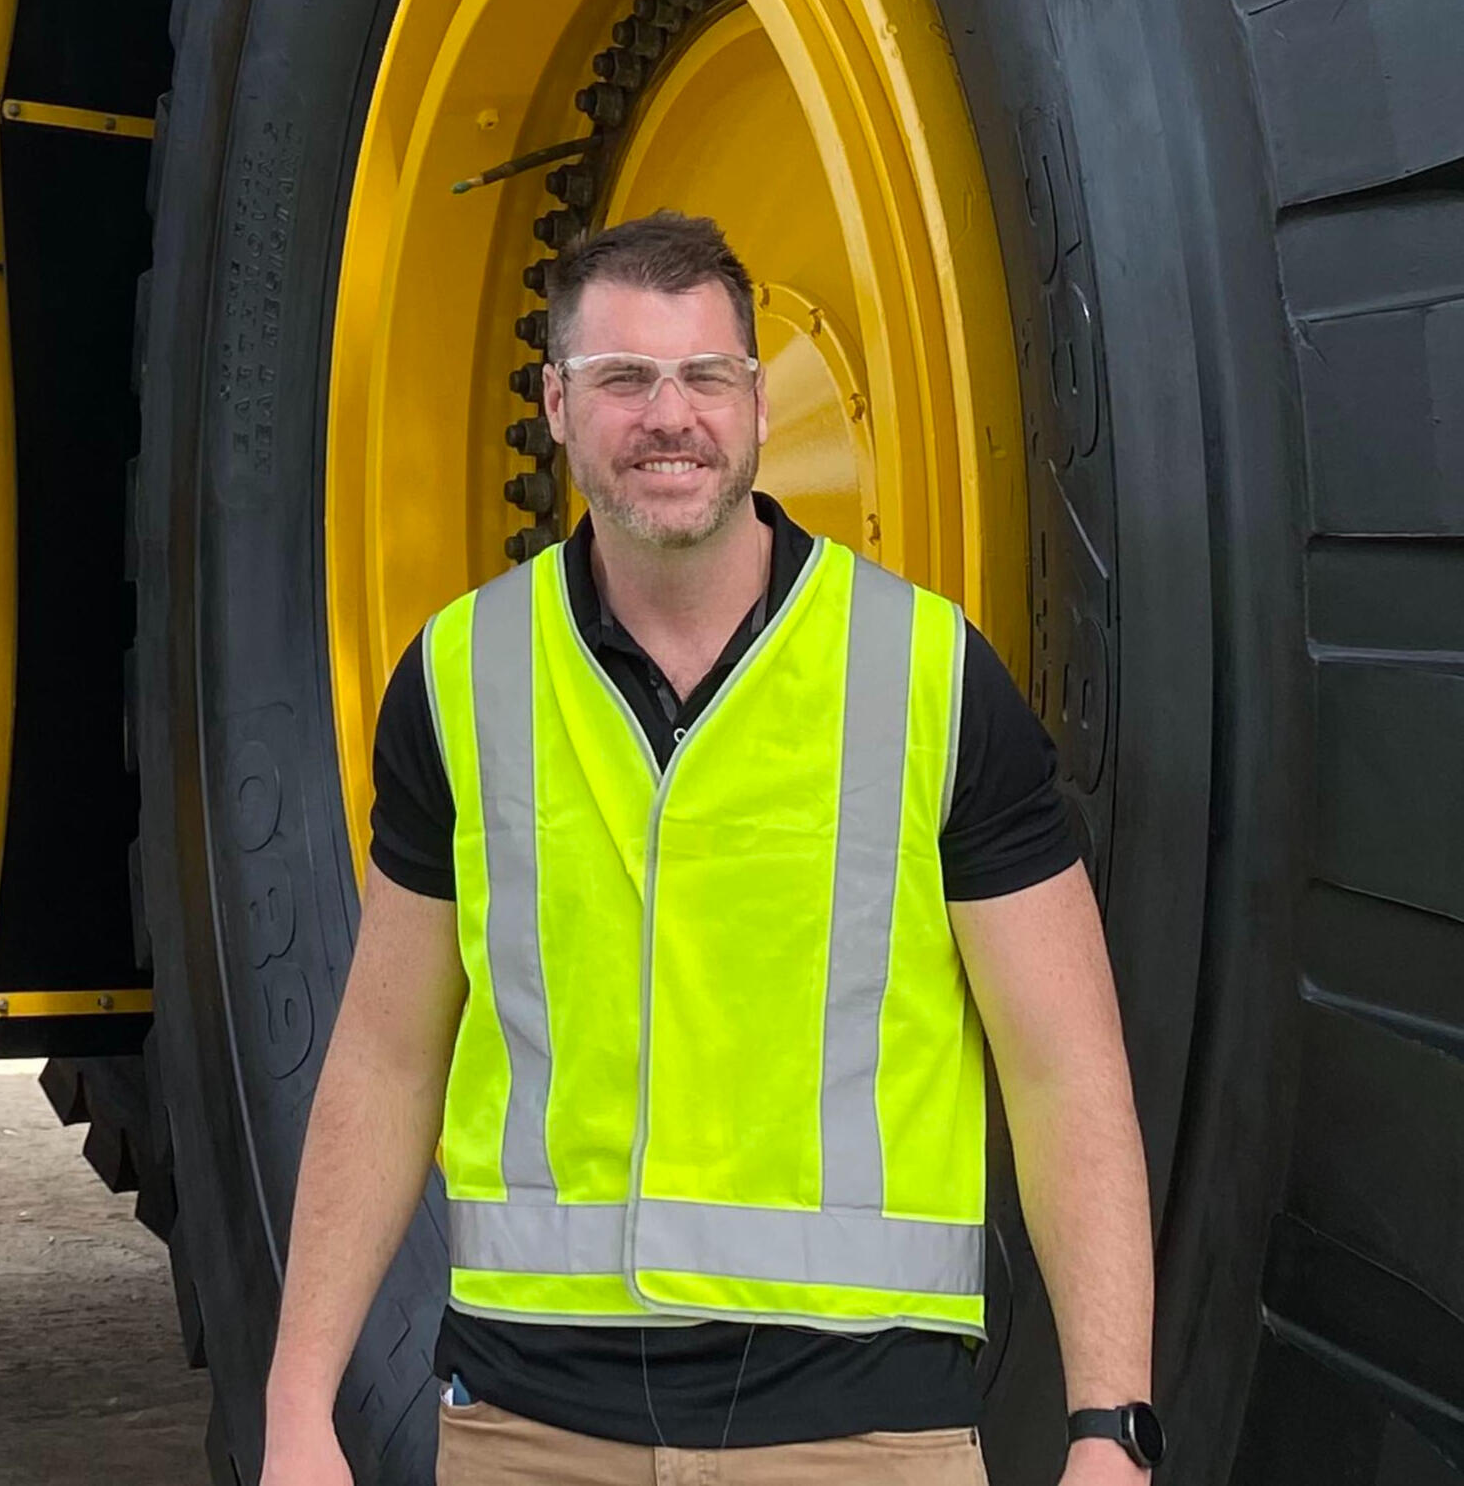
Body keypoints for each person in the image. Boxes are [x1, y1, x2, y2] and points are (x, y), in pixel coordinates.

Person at [260, 213, 1161, 1486]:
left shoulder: (927, 674)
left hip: (860, 1437)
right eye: (624, 378)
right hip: (530, 1431)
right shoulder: (462, 678)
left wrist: (1110, 1428)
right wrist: (299, 1403)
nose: (668, 415)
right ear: (557, 405)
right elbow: (384, 1057)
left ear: (754, 397)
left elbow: (1066, 1069)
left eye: (705, 376)